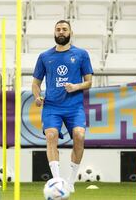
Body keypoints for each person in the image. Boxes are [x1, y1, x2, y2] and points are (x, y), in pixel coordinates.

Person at [32, 20, 93, 192]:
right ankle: (57, 181)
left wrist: (76, 86)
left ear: (70, 32)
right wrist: (37, 97)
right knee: (51, 135)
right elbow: (35, 83)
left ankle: (71, 182)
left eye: (64, 29)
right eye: (58, 29)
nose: (61, 32)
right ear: (54, 33)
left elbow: (89, 82)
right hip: (52, 106)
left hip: (74, 106)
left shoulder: (81, 54)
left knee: (79, 135)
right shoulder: (45, 57)